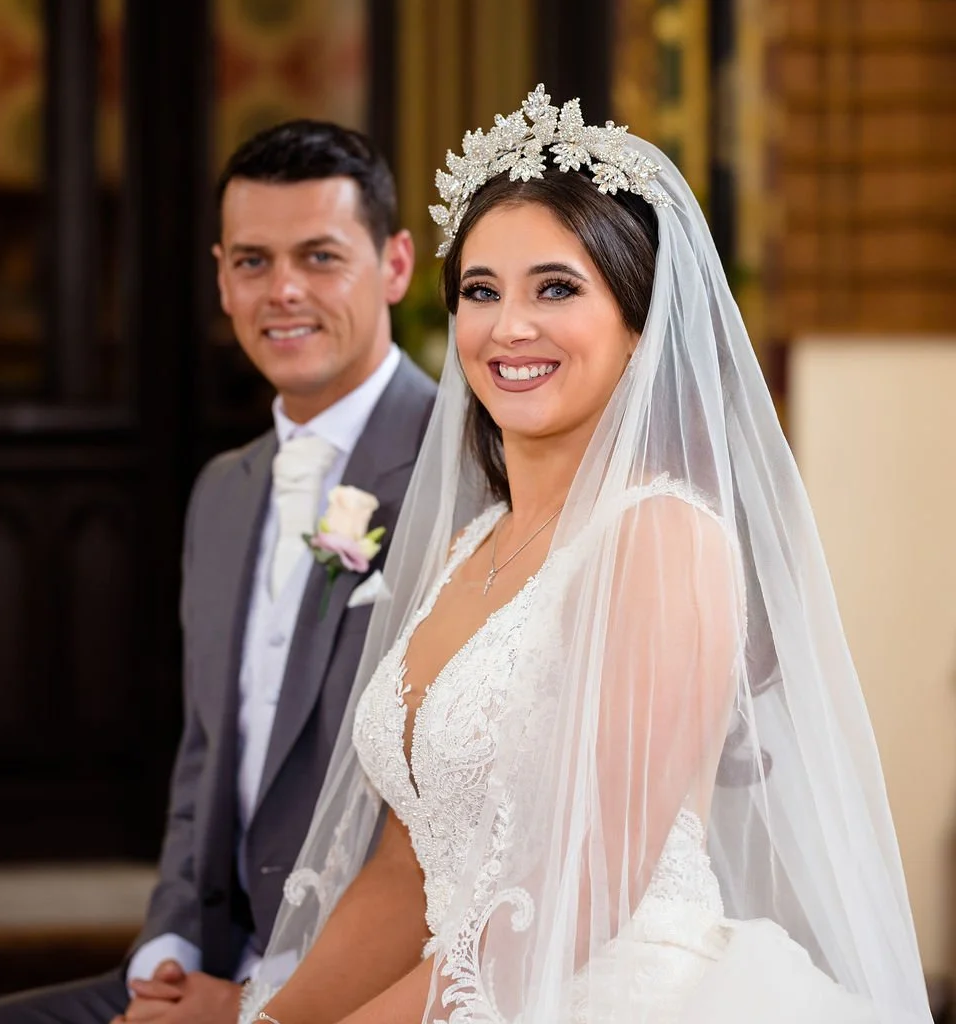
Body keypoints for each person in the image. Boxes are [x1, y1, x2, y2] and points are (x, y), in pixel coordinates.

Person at [238, 86, 933, 1024]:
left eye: (556, 288)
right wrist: (269, 1022)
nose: (508, 327)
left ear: (641, 324)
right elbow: (409, 871)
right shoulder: (467, 544)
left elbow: (585, 900)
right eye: (482, 291)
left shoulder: (663, 539)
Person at [0, 121, 436, 1024]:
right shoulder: (221, 492)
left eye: (320, 257)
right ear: (220, 276)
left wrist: (257, 1004)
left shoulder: (465, 474)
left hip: (352, 989)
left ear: (396, 265)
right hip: (203, 966)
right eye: (252, 261)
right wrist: (168, 943)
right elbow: (204, 756)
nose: (282, 290)